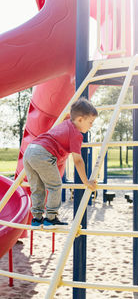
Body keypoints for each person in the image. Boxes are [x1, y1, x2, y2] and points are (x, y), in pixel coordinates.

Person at [23, 97, 98, 229]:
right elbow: (78, 160)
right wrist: (86, 181)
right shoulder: (76, 134)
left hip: (30, 150)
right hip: (43, 153)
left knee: (37, 187)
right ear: (80, 119)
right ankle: (51, 218)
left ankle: (37, 218)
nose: (91, 126)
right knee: (55, 186)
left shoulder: (65, 123)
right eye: (90, 122)